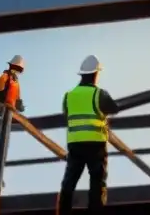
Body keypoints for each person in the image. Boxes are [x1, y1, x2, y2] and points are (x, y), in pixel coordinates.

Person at [57, 55, 121, 215]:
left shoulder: (68, 96)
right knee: (97, 183)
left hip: (75, 144)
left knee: (69, 182)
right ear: (95, 74)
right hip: (96, 145)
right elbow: (114, 108)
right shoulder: (99, 94)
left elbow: (67, 115)